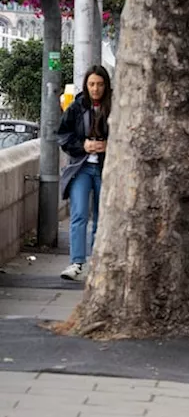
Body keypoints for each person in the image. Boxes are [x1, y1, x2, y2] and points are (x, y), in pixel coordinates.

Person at [56, 65, 112, 281]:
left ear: (106, 85)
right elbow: (63, 135)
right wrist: (83, 146)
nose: (95, 89)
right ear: (86, 85)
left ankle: (98, 262)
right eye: (91, 84)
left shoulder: (114, 106)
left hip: (105, 168)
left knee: (101, 217)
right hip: (81, 167)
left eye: (99, 84)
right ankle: (76, 262)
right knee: (79, 214)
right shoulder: (78, 106)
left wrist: (108, 145)